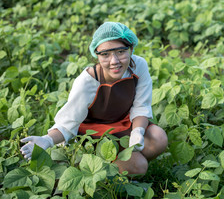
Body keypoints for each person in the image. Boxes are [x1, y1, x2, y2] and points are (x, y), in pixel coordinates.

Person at [20, 22, 168, 175]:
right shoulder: (87, 82)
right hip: (93, 135)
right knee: (139, 166)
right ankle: (106, 172)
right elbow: (68, 123)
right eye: (105, 54)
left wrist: (138, 131)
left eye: (120, 52)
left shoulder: (138, 66)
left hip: (123, 124)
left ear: (131, 49)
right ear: (96, 54)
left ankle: (122, 168)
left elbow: (141, 106)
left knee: (158, 138)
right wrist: (47, 140)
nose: (114, 61)